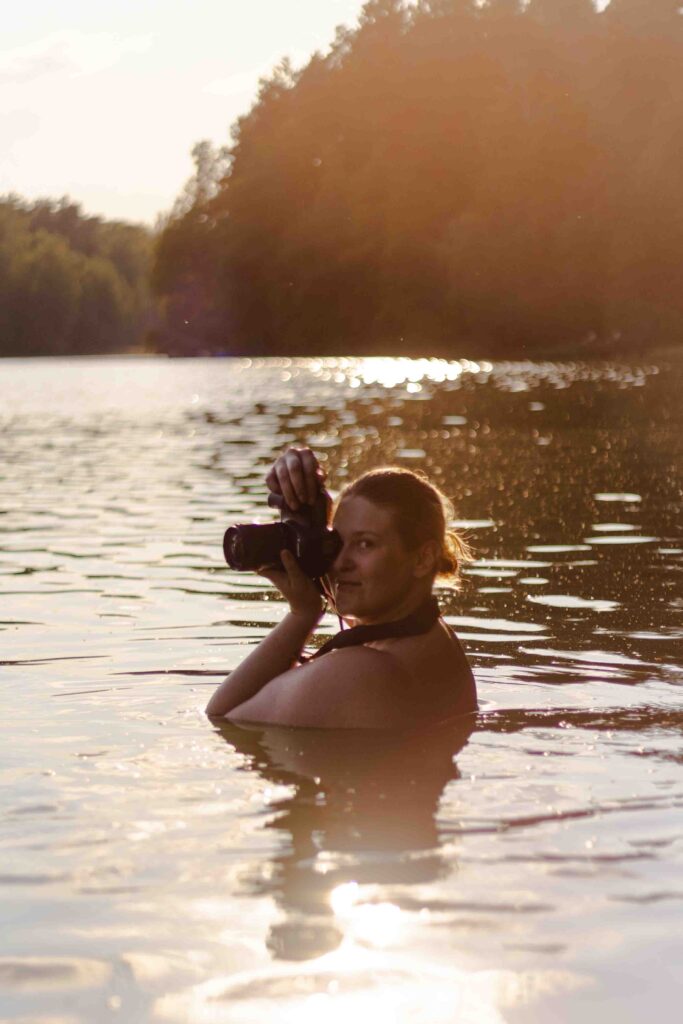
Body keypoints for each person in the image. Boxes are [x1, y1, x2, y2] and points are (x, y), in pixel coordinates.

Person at [206, 447, 477, 728]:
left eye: (364, 544)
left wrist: (301, 616)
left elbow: (223, 720)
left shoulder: (357, 672)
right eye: (336, 542)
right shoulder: (434, 637)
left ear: (423, 558)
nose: (339, 563)